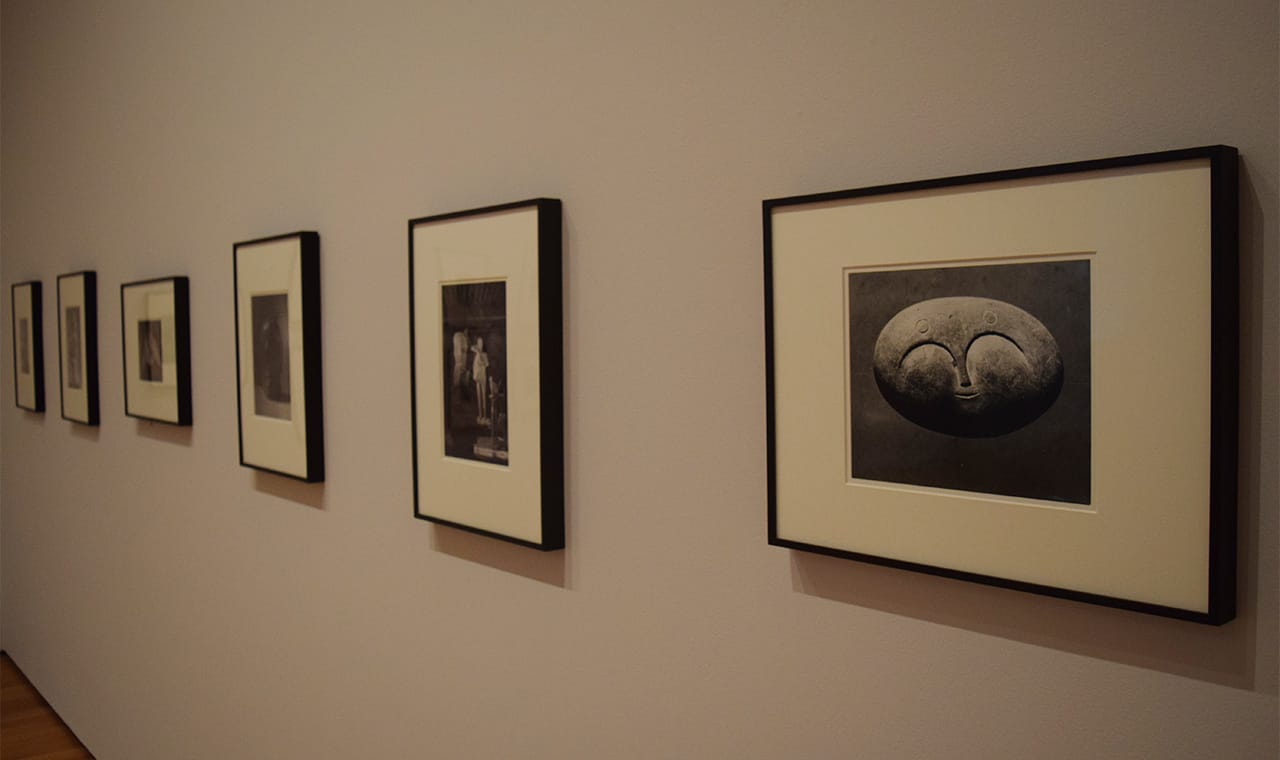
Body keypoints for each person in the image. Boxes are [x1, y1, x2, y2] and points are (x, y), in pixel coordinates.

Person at [471, 336, 490, 424]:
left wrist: (481, 355)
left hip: (483, 377)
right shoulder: (477, 353)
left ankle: (485, 416)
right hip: (477, 377)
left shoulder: (484, 354)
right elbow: (472, 347)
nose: (480, 345)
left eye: (481, 343)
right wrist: (478, 351)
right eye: (479, 343)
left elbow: (486, 364)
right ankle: (480, 416)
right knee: (479, 397)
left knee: (484, 396)